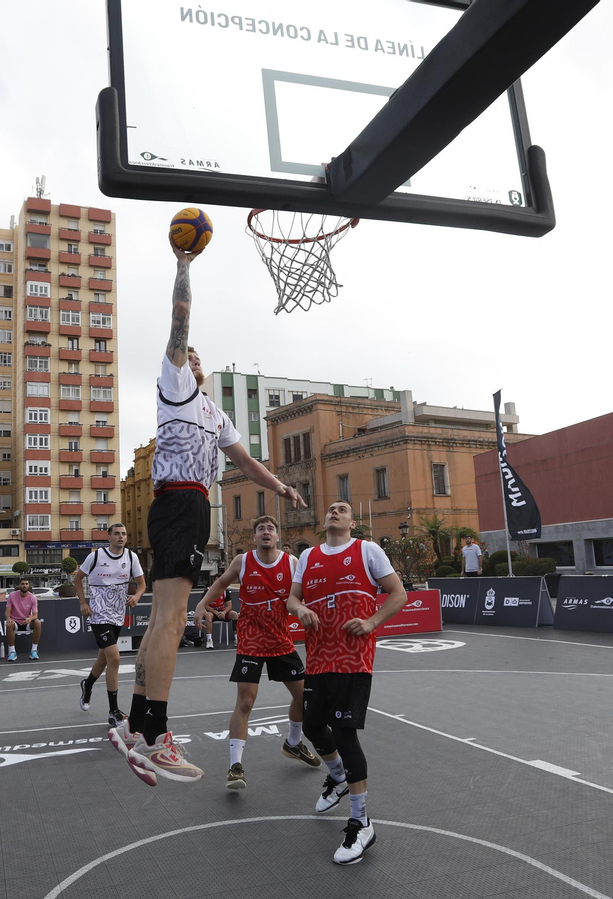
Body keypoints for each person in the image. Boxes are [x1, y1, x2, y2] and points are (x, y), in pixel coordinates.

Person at [107, 236, 305, 787]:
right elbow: (181, 316)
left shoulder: (215, 415)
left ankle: (137, 724)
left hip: (192, 504)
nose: (188, 357)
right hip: (179, 501)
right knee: (171, 618)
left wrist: (282, 489)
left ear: (205, 369)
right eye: (184, 354)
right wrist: (183, 264)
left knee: (161, 619)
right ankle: (156, 737)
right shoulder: (173, 386)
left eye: (195, 357)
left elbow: (246, 460)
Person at [285, 502, 408, 864]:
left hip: (353, 659)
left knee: (343, 733)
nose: (334, 511)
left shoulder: (367, 550)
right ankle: (338, 777)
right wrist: (300, 609)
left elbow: (398, 594)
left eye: (342, 509)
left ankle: (361, 822)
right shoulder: (308, 557)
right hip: (319, 657)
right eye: (331, 509)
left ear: (353, 522)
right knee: (311, 727)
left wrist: (371, 622)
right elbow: (292, 598)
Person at [195, 515, 320, 792]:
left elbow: (303, 596)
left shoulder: (291, 563)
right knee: (246, 702)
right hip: (251, 641)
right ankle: (235, 767)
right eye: (261, 529)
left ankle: (294, 743)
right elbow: (219, 584)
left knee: (304, 696)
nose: (266, 532)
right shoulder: (243, 561)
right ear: (254, 537)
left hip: (281, 641)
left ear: (277, 537)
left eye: (270, 529)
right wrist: (201, 604)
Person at [75, 523, 146, 728]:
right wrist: (82, 602)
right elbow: (78, 579)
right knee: (114, 658)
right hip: (98, 615)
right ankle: (113, 711)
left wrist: (137, 596)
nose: (121, 537)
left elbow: (142, 584)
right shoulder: (96, 556)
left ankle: (87, 685)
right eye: (116, 534)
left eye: (124, 534)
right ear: (109, 537)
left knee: (104, 660)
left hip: (117, 615)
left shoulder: (131, 557)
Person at [4, 577, 42, 661]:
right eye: (23, 584)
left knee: (38, 622)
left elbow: (35, 615)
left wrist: (30, 619)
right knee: (9, 624)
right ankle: (12, 652)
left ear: (28, 585)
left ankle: (34, 650)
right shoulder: (12, 596)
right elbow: (7, 612)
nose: (24, 586)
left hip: (27, 622)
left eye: (26, 584)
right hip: (15, 622)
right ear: (19, 585)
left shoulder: (33, 598)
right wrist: (8, 618)